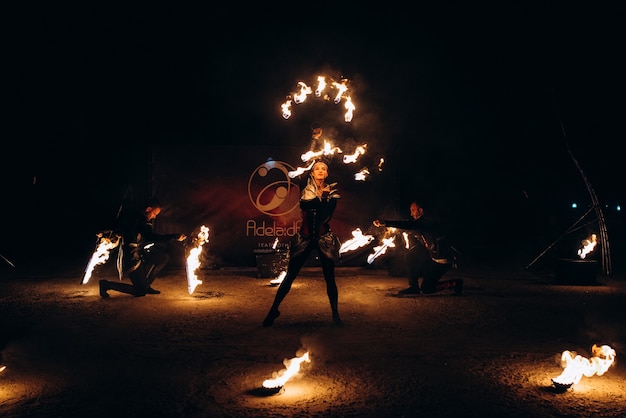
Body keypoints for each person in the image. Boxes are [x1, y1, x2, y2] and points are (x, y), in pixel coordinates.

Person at [263, 159, 343, 326]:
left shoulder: (332, 192)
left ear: (327, 173)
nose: (320, 170)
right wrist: (314, 140)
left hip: (324, 239)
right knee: (290, 276)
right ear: (312, 173)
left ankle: (335, 315)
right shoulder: (305, 188)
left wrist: (325, 197)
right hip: (305, 238)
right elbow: (305, 203)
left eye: (323, 169)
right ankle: (273, 310)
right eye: (317, 168)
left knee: (330, 278)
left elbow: (327, 217)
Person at [99, 197, 186, 298]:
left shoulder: (144, 220)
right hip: (131, 257)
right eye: (154, 214)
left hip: (141, 254)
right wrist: (173, 236)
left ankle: (146, 285)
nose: (154, 217)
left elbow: (147, 235)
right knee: (140, 292)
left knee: (162, 257)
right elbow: (151, 237)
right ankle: (106, 284)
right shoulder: (135, 220)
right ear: (148, 209)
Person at [373, 201, 462, 296]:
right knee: (411, 256)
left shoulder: (428, 221)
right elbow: (412, 227)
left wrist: (386, 223)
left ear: (420, 210)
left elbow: (411, 225)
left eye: (413, 210)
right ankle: (413, 287)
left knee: (426, 289)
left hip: (442, 258)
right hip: (432, 252)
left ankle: (455, 283)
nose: (411, 214)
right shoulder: (423, 221)